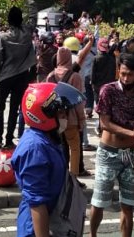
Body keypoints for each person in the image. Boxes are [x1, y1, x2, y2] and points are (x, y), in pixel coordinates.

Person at [11, 82, 86, 237]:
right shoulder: (34, 149)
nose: (65, 118)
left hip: (54, 219)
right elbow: (37, 204)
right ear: (45, 116)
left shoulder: (49, 138)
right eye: (61, 114)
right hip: (37, 229)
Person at [89, 54, 134, 237]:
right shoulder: (107, 90)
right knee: (99, 202)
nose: (125, 78)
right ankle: (92, 235)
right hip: (108, 154)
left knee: (128, 205)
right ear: (118, 71)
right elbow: (105, 124)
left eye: (130, 74)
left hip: (130, 154)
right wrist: (132, 133)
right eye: (123, 73)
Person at [0, 0, 37, 150]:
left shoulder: (3, 37)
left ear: (8, 21)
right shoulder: (28, 33)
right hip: (22, 75)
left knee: (0, 108)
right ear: (21, 19)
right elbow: (33, 13)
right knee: (15, 108)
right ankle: (9, 139)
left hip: (5, 76)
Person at [46, 47, 86, 176]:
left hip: (55, 119)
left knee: (60, 147)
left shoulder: (51, 75)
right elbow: (78, 102)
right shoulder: (75, 77)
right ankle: (73, 177)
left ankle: (61, 175)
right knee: (74, 148)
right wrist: (82, 120)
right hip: (72, 118)